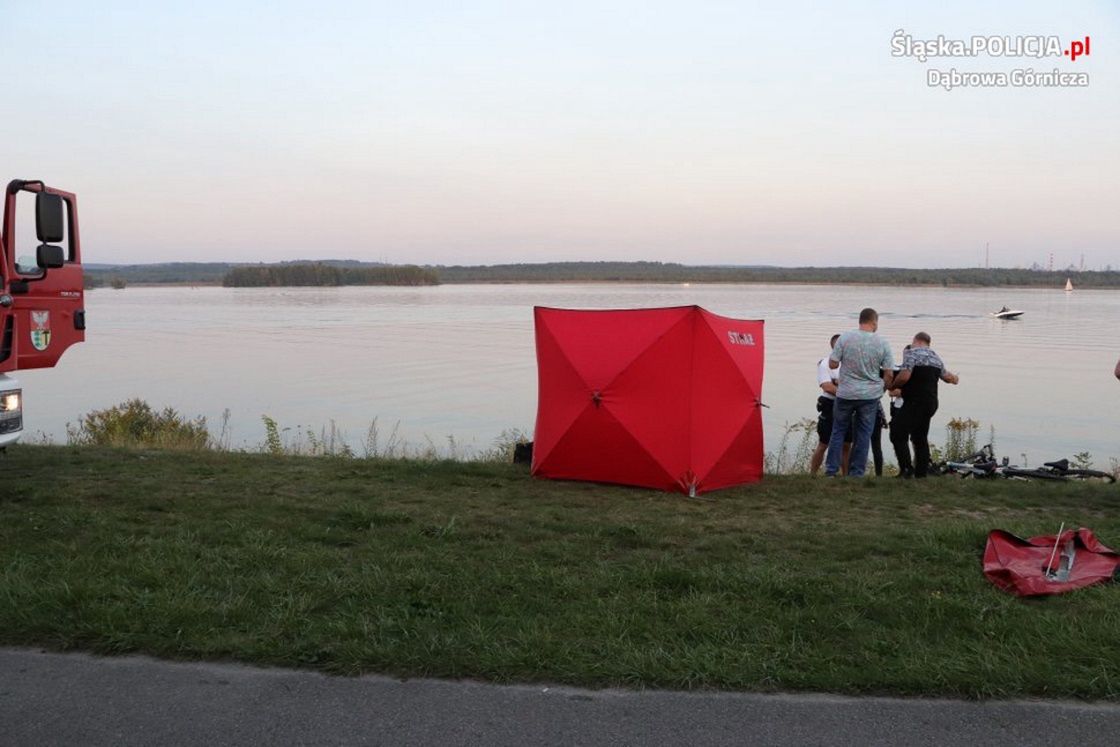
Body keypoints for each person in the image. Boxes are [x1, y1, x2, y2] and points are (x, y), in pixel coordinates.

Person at [826, 308, 894, 477]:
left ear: (860, 320)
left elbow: (833, 364)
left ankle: (831, 471)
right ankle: (856, 473)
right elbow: (889, 373)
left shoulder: (845, 338)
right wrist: (882, 389)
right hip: (870, 396)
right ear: (874, 322)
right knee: (863, 434)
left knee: (838, 431)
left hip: (846, 393)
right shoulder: (883, 343)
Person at [889, 332, 959, 478]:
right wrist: (955, 378)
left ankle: (906, 469)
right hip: (931, 403)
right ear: (928, 343)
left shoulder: (911, 353)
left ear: (916, 340)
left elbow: (904, 376)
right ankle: (921, 474)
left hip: (915, 401)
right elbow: (947, 377)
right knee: (920, 437)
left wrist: (891, 385)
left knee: (897, 432)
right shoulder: (935, 357)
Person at [810, 334, 852, 475]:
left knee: (846, 444)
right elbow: (827, 386)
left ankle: (846, 475)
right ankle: (813, 474)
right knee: (824, 443)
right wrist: (846, 391)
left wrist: (840, 386)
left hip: (849, 405)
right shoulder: (825, 364)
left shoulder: (852, 364)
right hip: (830, 405)